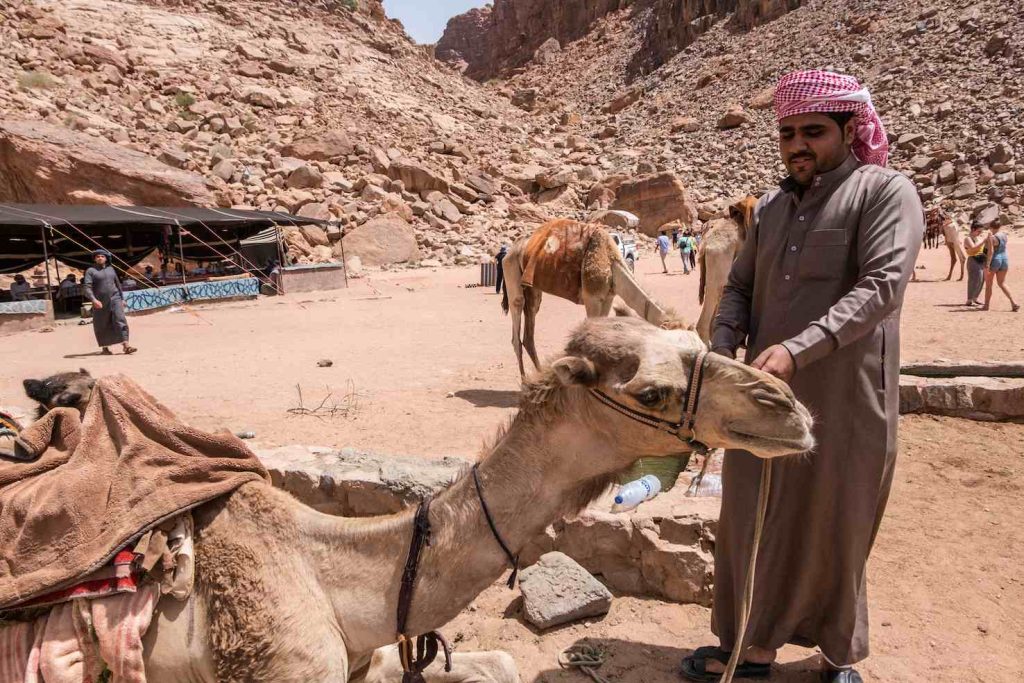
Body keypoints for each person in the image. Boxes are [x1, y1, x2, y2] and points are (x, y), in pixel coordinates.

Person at [681, 70, 922, 683]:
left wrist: (797, 348)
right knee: (750, 513)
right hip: (763, 395)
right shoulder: (769, 209)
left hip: (846, 401)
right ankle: (752, 649)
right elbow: (738, 286)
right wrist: (724, 343)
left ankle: (837, 657)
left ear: (849, 129)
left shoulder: (884, 192)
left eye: (813, 132)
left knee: (836, 520)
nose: (798, 145)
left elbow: (882, 287)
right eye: (787, 133)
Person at [83, 249, 137, 355]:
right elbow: (87, 287)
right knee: (102, 323)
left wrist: (122, 298)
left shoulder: (111, 269)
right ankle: (105, 348)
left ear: (106, 258)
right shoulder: (91, 271)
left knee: (120, 319)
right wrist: (94, 300)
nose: (100, 258)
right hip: (100, 301)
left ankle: (126, 345)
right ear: (94, 259)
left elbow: (118, 284)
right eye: (97, 256)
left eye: (102, 256)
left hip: (115, 298)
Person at [982, 222, 1019, 312]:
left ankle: (986, 306)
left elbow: (990, 252)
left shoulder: (993, 237)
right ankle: (1013, 302)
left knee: (989, 284)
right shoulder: (1004, 235)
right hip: (1004, 259)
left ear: (991, 227)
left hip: (995, 259)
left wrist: (987, 264)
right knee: (1002, 283)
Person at [963, 220, 988, 306]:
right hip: (973, 260)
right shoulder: (968, 238)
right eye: (978, 231)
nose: (980, 233)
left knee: (981, 279)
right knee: (974, 280)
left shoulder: (979, 238)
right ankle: (969, 299)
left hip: (981, 260)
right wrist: (984, 241)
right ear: (973, 229)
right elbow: (973, 248)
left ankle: (975, 297)